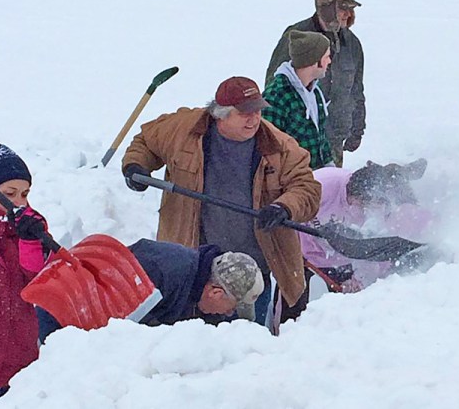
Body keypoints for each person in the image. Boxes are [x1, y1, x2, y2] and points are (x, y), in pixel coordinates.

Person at [121, 76, 321, 326]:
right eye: (245, 113)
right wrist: (136, 166)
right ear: (220, 114)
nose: (254, 119)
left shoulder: (279, 146)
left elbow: (307, 187)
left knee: (247, 344)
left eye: (258, 110)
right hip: (197, 273)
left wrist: (284, 207)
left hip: (252, 274)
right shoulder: (184, 129)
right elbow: (146, 141)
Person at [35, 239, 265, 341]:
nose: (227, 315)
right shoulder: (162, 271)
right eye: (230, 308)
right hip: (64, 316)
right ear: (215, 292)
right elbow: (123, 335)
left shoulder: (202, 283)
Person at [0, 139, 51, 409]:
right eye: (11, 192)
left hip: (19, 363)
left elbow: (39, 284)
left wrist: (30, 241)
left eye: (25, 193)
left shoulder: (30, 228)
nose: (19, 201)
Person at [266, 0, 365, 167]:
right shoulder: (297, 37)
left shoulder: (352, 43)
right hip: (297, 142)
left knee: (328, 192)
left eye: (351, 9)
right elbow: (274, 88)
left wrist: (357, 127)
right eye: (343, 8)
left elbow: (357, 88)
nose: (348, 14)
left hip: (333, 140)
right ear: (326, 8)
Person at [301, 159, 433, 294]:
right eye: (359, 202)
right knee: (292, 298)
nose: (360, 208)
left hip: (337, 257)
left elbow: (373, 248)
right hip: (299, 246)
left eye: (366, 204)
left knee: (344, 300)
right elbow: (290, 207)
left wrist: (359, 279)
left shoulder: (378, 207)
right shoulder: (322, 183)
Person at [263, 30, 333, 169]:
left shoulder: (315, 92)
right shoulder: (276, 96)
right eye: (326, 57)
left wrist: (330, 166)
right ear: (314, 60)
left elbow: (320, 137)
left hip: (316, 176)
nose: (329, 61)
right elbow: (268, 147)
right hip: (291, 181)